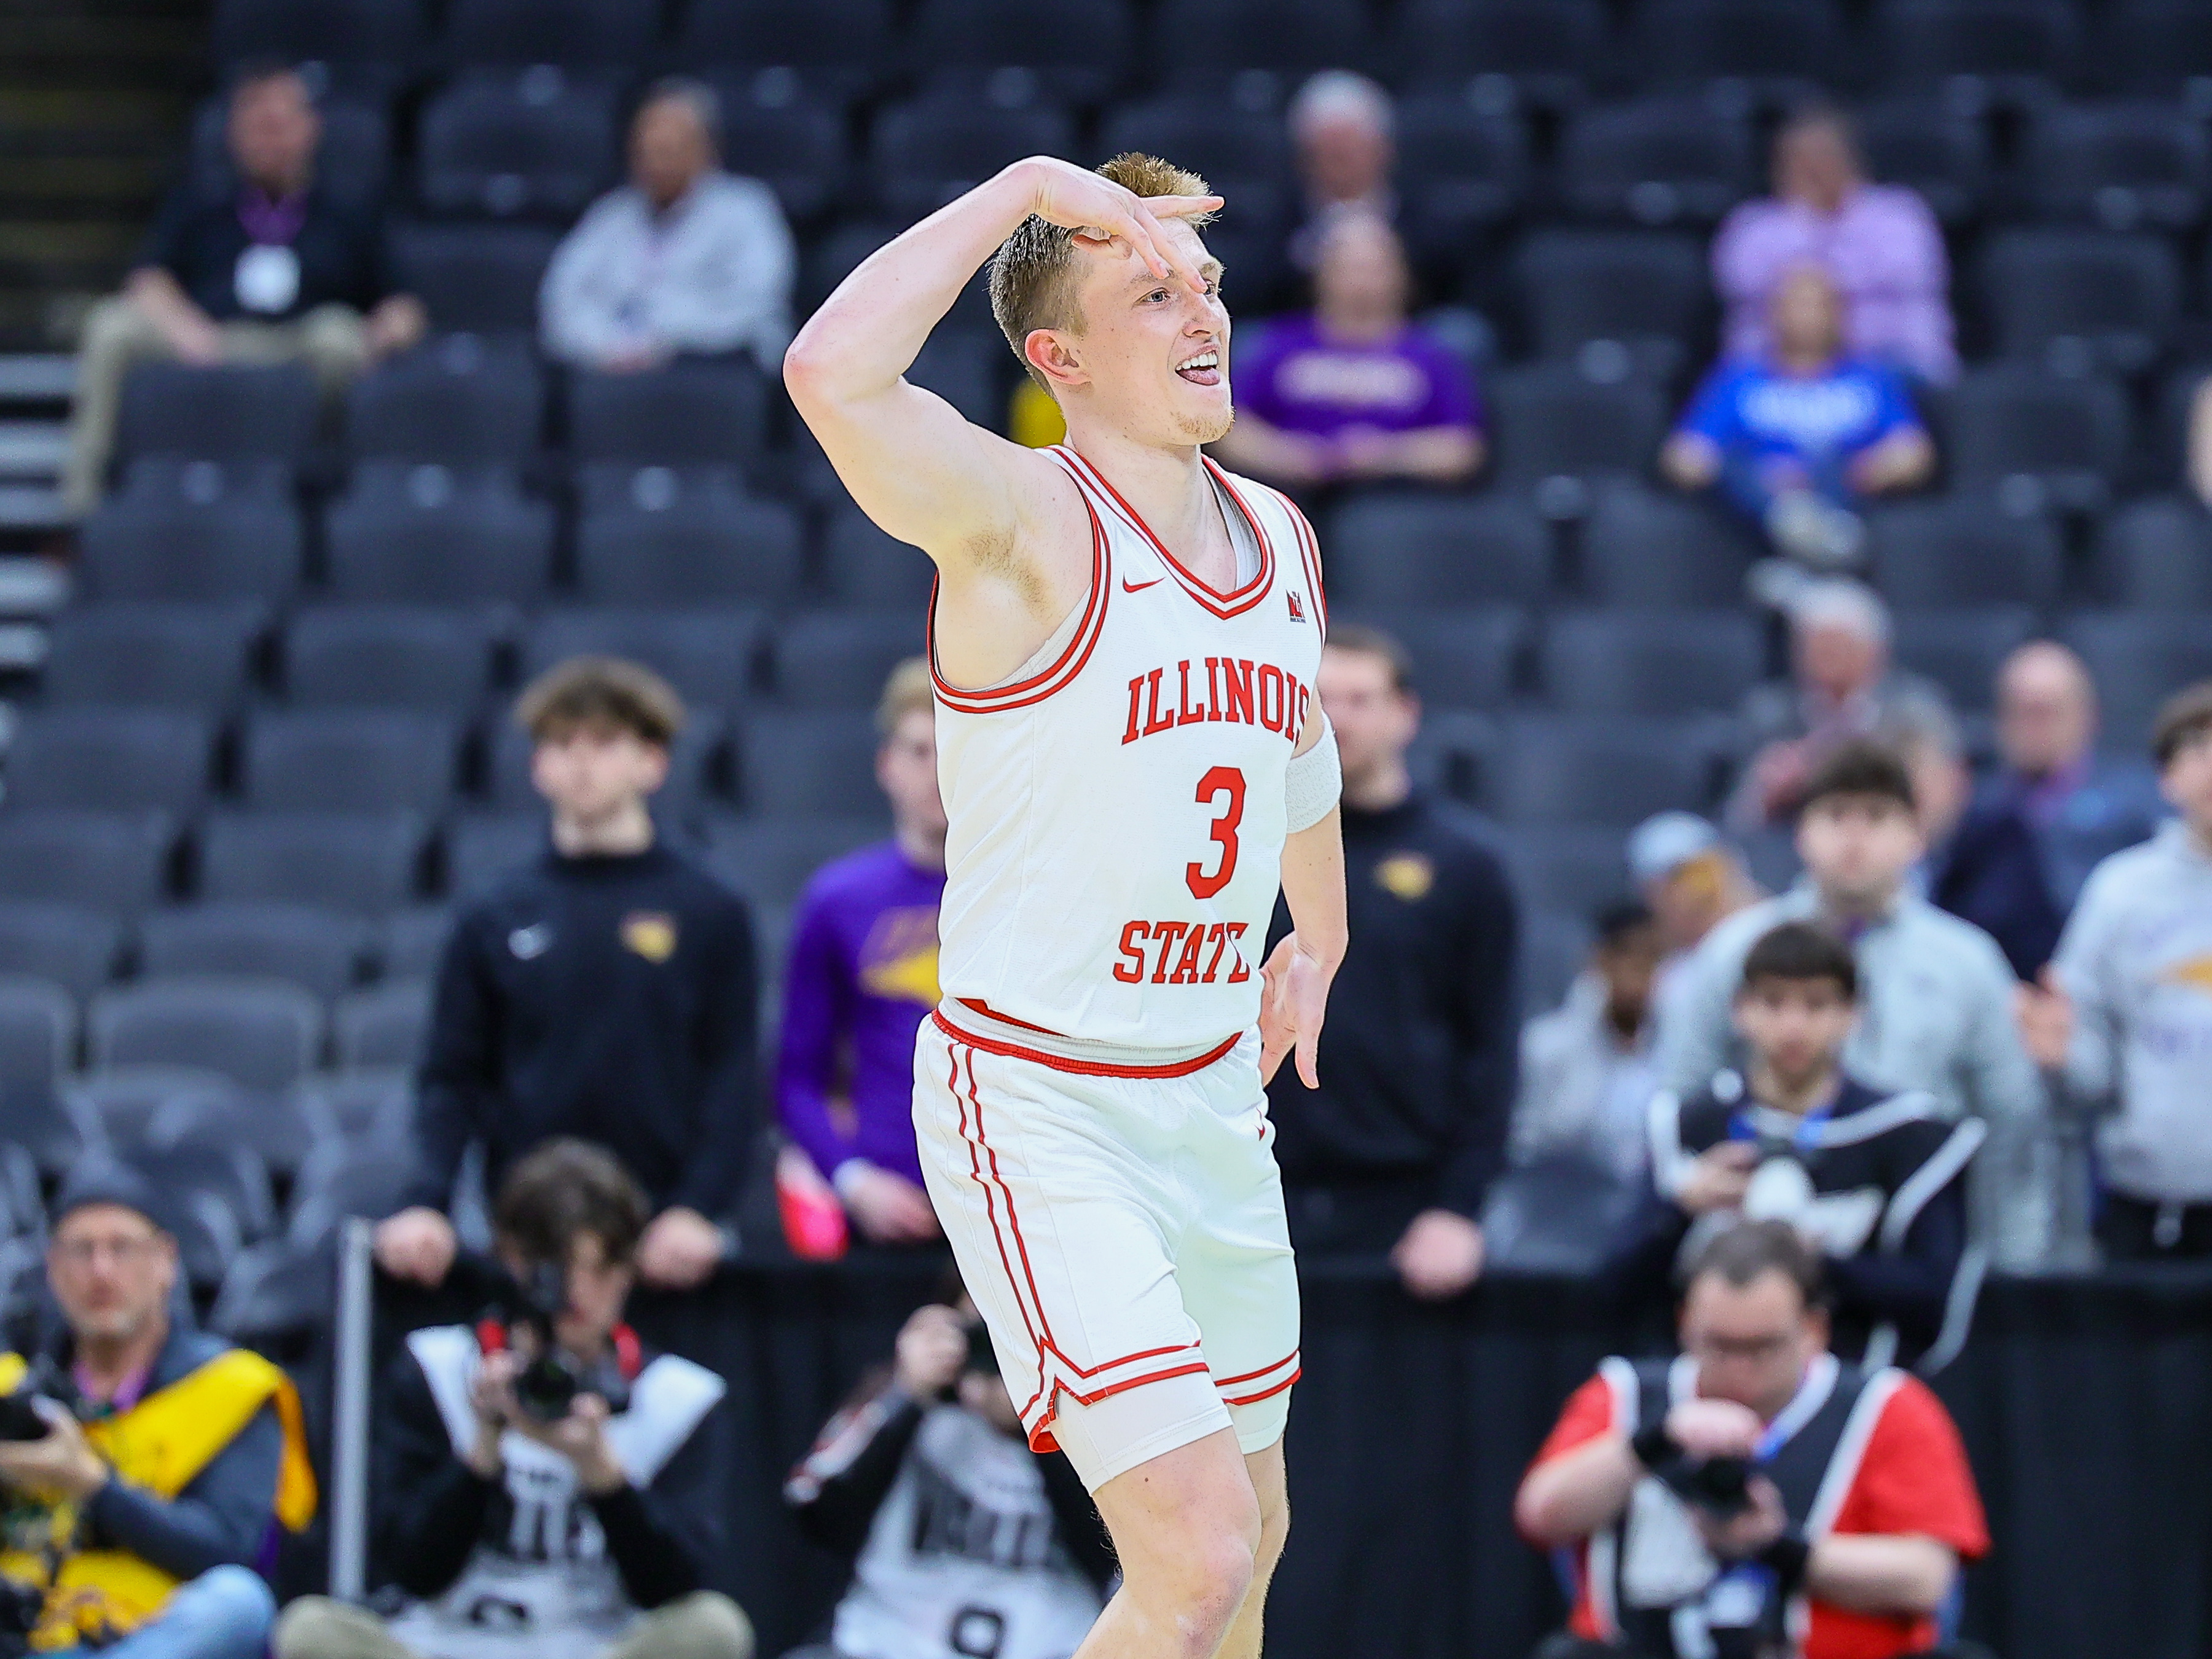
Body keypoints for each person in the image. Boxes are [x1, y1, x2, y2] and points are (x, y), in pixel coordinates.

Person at [784, 149, 1349, 1659]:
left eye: (1208, 283)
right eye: (1150, 289)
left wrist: (1323, 928)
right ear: (1059, 354)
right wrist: (1027, 184)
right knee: (1197, 1558)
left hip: (1208, 1098)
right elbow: (830, 368)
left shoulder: (1281, 536)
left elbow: (1295, 744)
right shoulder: (1022, 520)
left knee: (1256, 1534)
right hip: (1042, 1099)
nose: (1203, 312)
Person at [276, 1140, 753, 1659]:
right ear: (512, 1260)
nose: (582, 1294)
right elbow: (412, 1569)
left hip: (594, 1649)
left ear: (631, 1267)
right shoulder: (438, 1367)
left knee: (716, 1628)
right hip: (447, 1644)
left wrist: (604, 1475)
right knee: (309, 1630)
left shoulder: (677, 1397)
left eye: (603, 1268)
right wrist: (482, 1451)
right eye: (562, 1271)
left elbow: (673, 1588)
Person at [376, 658, 758, 1295]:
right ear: (537, 766)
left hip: (667, 1238)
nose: (581, 763)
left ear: (652, 762)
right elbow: (452, 1077)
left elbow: (732, 1076)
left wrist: (699, 1208)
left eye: (605, 743)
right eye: (561, 743)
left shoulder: (710, 908)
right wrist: (426, 1200)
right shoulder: (494, 913)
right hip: (526, 1229)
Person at [1515, 1221, 1988, 1659]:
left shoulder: (1888, 1406)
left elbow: (1926, 1578)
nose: (1740, 1367)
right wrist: (1654, 1442)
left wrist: (1777, 1546)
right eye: (1719, 1344)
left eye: (1762, 1347)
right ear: (1685, 1323)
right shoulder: (1626, 1395)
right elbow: (1542, 1514)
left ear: (1813, 1330)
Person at [1659, 742, 2050, 1268]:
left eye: (1877, 816)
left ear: (1916, 835)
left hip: (1914, 1250)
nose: (1855, 836)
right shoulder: (1736, 951)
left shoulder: (1968, 963)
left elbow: (2010, 1125)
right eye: (1836, 815)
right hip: (1758, 1246)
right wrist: (1687, 1194)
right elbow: (1677, 1102)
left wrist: (2012, 1269)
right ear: (1801, 832)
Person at [1263, 626, 1517, 1298]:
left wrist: (1458, 1209)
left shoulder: (1467, 864)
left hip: (1406, 1210)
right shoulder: (1249, 848)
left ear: (1407, 714)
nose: (1336, 718)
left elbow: (1492, 1048)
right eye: (1318, 700)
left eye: (1359, 698)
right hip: (1256, 1186)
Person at [62, 63, 424, 514]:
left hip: (297, 347)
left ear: (310, 129)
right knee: (111, 326)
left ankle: (328, 503)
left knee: (338, 338)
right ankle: (80, 511)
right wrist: (185, 329)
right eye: (256, 127)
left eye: (279, 126)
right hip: (209, 340)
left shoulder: (349, 210)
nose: (268, 140)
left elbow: (402, 305)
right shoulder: (199, 200)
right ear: (234, 133)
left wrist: (386, 331)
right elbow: (147, 279)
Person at [1628, 924, 1981, 1368]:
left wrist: (1808, 1257)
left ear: (1852, 1015)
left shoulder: (1907, 1136)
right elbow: (1615, 1296)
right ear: (1740, 1010)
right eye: (1773, 1003)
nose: (1793, 1026)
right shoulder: (1688, 1125)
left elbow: (1935, 1304)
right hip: (1706, 1395)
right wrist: (1680, 1209)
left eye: (1816, 1005)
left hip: (1853, 1390)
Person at [0, 1161, 314, 1658]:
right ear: (53, 1269)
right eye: (81, 1250)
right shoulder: (13, 1386)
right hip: (26, 1629)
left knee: (239, 1601)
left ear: (166, 1261)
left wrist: (94, 1487)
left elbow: (231, 1550)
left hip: (152, 1635)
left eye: (121, 1248)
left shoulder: (231, 1388)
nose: (101, 1271)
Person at [782, 1297, 1112, 1659]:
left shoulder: (1095, 1420)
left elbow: (1117, 1552)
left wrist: (1038, 1420)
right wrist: (905, 1392)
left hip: (1046, 1644)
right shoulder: (909, 1408)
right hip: (886, 1642)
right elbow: (814, 1506)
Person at [2019, 683, 2212, 1261]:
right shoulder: (2119, 891)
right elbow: (2090, 1068)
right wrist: (2060, 1055)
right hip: (2148, 1207)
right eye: (2197, 748)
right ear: (2166, 778)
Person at [778, 659, 950, 1247]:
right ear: (887, 766)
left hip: (1009, 1206)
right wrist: (852, 1179)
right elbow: (797, 1077)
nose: (939, 771)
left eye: (955, 746)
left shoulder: (1036, 892)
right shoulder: (839, 900)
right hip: (884, 1210)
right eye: (920, 751)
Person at [1661, 267, 1933, 584]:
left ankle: (1807, 542)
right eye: (1796, 305)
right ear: (1773, 314)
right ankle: (1801, 535)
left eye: (1818, 305)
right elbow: (1684, 454)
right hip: (1760, 500)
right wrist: (1717, 469)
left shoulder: (1870, 378)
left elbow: (1915, 452)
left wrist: (1872, 469)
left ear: (1839, 314)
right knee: (1739, 470)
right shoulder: (1739, 379)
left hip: (1842, 491)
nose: (1806, 317)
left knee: (1829, 463)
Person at [1934, 641, 2167, 981]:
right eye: (2019, 711)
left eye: (2046, 712)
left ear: (2089, 717)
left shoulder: (2135, 808)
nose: (2032, 727)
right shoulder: (1973, 813)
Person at [1208, 211, 1483, 491]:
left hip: (1398, 499)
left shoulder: (1431, 354)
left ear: (1402, 275)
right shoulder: (1277, 344)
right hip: (1290, 492)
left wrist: (1385, 454)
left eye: (1374, 268)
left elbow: (1462, 449)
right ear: (1320, 274)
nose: (1361, 281)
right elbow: (1230, 430)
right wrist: (1293, 457)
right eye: (1348, 267)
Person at [540, 77, 795, 374]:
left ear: (705, 148)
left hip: (712, 367)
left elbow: (757, 302)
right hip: (616, 368)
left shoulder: (746, 208)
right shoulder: (610, 215)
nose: (656, 163)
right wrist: (609, 345)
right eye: (647, 150)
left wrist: (664, 336)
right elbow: (562, 301)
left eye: (669, 149)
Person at [1712, 105, 1956, 386]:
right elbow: (1740, 282)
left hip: (1893, 362)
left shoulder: (1900, 213)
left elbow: (1908, 275)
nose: (1813, 168)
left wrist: (1811, 281)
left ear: (1850, 160)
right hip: (1773, 370)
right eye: (1799, 160)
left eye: (1823, 156)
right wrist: (1804, 219)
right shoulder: (1754, 224)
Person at [1729, 580, 1956, 833]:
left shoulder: (1915, 710)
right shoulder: (1769, 713)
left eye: (1837, 646)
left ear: (1874, 651)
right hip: (1792, 846)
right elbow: (1738, 819)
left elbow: (1942, 801)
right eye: (1815, 646)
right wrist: (1767, 792)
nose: (1826, 658)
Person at [1510, 900, 1665, 1185]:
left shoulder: (1675, 1046)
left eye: (1656, 959)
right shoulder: (1546, 1048)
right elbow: (1525, 1148)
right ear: (1601, 960)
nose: (1645, 975)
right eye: (1635, 958)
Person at [1627, 813, 1763, 1022]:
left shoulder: (1774, 930)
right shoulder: (1670, 979)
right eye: (1668, 885)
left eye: (1700, 874)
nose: (1690, 893)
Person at [1285, 71, 1395, 271]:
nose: (1343, 166)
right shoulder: (1279, 236)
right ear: (1305, 157)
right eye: (1332, 153)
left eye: (1351, 150)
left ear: (1382, 150)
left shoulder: (1424, 233)